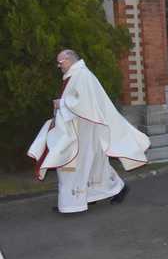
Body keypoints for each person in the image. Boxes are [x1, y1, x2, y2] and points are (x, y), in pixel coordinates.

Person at [28, 50, 148, 213]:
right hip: (77, 129)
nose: (58, 66)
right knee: (87, 166)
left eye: (60, 62)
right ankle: (82, 199)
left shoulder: (82, 75)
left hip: (85, 131)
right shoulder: (74, 75)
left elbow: (85, 102)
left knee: (77, 166)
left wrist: (62, 103)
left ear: (69, 59)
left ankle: (82, 200)